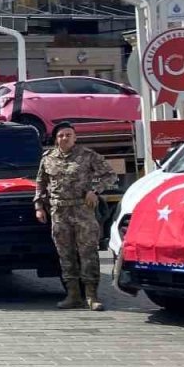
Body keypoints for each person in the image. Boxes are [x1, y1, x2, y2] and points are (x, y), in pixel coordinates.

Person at [34, 122, 117, 310]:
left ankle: (91, 296)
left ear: (75, 137)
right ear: (56, 139)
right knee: (66, 254)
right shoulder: (48, 158)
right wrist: (39, 206)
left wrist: (94, 190)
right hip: (59, 213)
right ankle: (73, 295)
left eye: (68, 135)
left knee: (88, 253)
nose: (65, 138)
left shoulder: (87, 156)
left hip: (83, 211)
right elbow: (40, 183)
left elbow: (110, 175)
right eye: (61, 135)